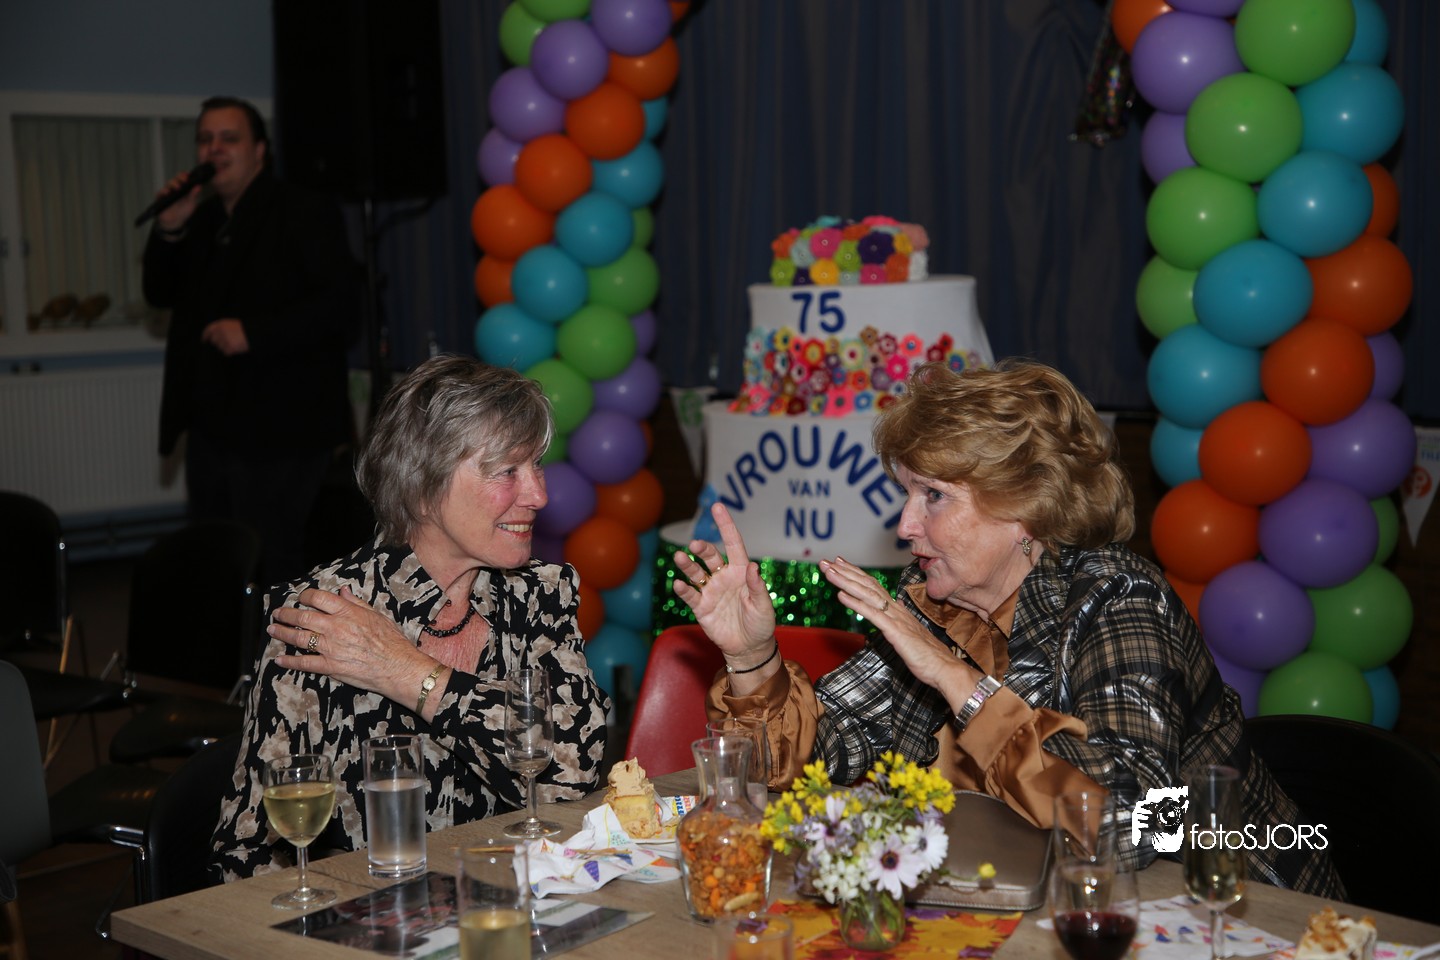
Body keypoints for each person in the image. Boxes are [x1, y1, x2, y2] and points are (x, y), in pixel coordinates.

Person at [674, 359, 1341, 896]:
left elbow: (1128, 822)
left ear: (1024, 505)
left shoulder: (1116, 596)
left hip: (1238, 912)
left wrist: (956, 681)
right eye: (907, 493)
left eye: (933, 496)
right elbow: (820, 758)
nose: (905, 525)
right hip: (1038, 900)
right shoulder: (935, 603)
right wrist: (754, 657)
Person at [211, 355, 611, 881]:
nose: (539, 494)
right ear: (423, 486)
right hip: (370, 907)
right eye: (507, 471)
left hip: (512, 894)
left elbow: (574, 772)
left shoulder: (539, 593)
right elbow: (249, 847)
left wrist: (409, 673)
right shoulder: (324, 616)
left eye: (536, 466)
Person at [142, 95, 358, 590]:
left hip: (285, 424)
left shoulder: (302, 210)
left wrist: (253, 334)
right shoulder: (201, 219)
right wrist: (169, 229)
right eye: (205, 139)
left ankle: (279, 643)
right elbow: (159, 293)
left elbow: (340, 308)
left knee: (271, 554)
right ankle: (226, 641)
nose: (213, 149)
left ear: (260, 150)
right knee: (216, 552)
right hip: (212, 424)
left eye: (229, 138)